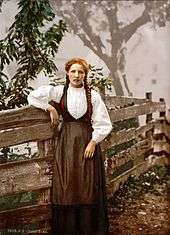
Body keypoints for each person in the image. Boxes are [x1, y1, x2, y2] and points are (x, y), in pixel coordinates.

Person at [27, 58, 112, 235]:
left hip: (86, 143)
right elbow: (32, 96)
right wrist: (50, 109)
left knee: (87, 183)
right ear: (67, 73)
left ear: (85, 75)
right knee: (67, 184)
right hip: (66, 144)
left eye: (80, 72)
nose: (76, 75)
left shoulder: (92, 96)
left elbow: (103, 122)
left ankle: (88, 229)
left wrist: (93, 142)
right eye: (73, 71)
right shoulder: (59, 91)